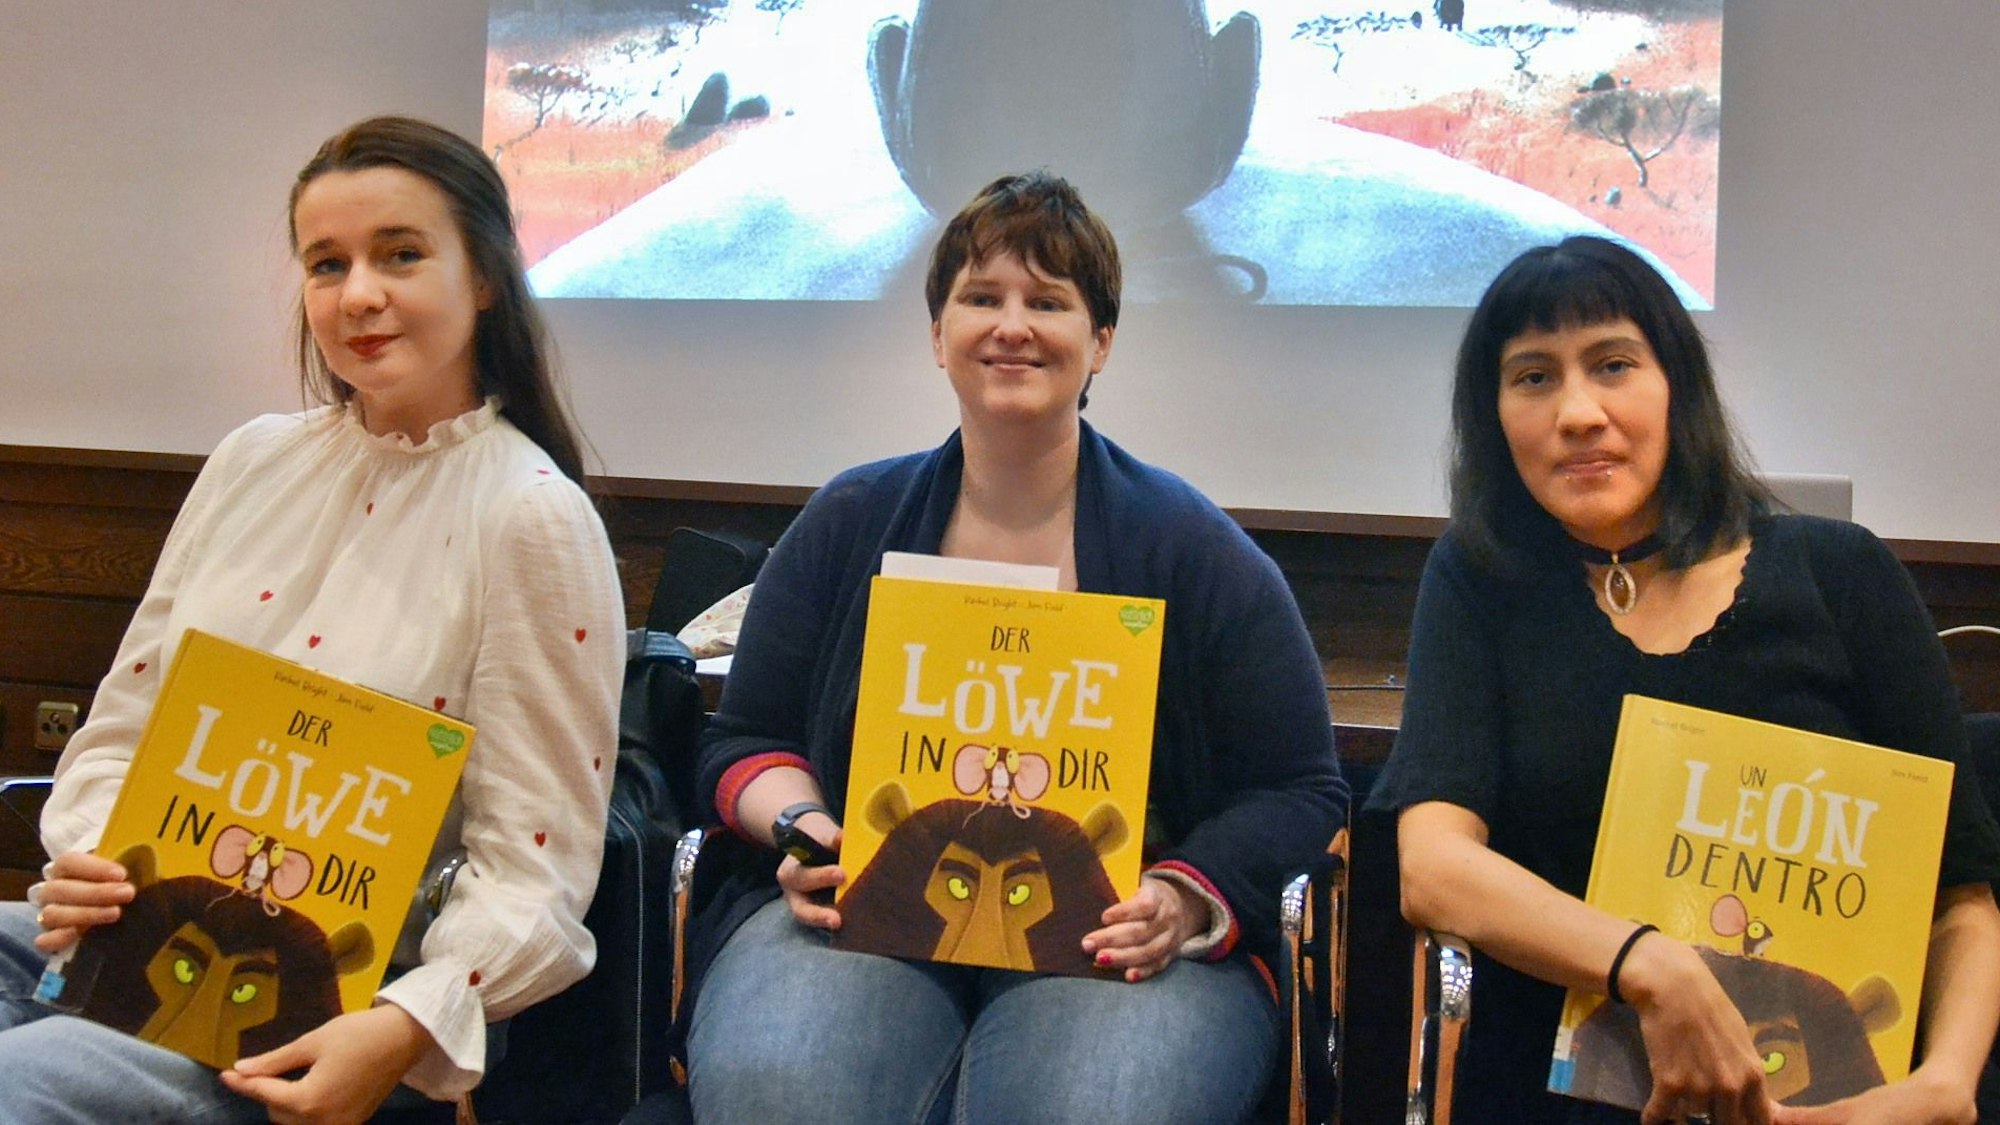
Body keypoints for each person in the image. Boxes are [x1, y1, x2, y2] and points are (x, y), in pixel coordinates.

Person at [676, 171, 1347, 1124]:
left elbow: (1302, 784)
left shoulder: (1194, 545)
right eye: (981, 298)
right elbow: (744, 742)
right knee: (782, 1088)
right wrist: (807, 832)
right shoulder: (849, 518)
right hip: (864, 922)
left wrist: (1182, 895)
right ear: (937, 334)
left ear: (1101, 341)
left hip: (1114, 940)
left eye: (1049, 301)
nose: (1012, 325)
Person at [0, 115, 625, 1124]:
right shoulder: (252, 459)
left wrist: (409, 1026)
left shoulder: (531, 517)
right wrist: (89, 860)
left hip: (332, 998)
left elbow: (534, 876)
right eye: (326, 264)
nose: (359, 294)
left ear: (485, 276)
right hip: (140, 928)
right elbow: (123, 728)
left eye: (401, 254)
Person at [1370, 235, 2000, 1125]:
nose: (1578, 411)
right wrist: (1656, 966)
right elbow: (1433, 868)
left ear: (1679, 386)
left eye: (1614, 364)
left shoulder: (1841, 572)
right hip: (1574, 1089)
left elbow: (1962, 892)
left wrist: (1944, 1086)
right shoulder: (1480, 580)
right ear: (1495, 413)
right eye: (1533, 376)